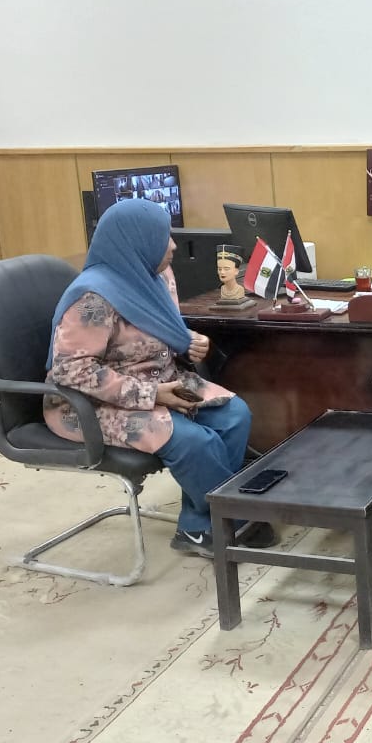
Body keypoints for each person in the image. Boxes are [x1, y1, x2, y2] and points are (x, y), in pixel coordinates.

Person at [44, 200, 275, 558]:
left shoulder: (158, 276)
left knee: (235, 415)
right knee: (195, 442)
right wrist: (152, 394)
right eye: (163, 236)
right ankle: (232, 517)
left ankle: (197, 525)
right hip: (89, 404)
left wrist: (188, 342)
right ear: (135, 241)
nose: (173, 245)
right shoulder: (92, 298)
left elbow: (159, 331)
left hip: (163, 383)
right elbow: (71, 371)